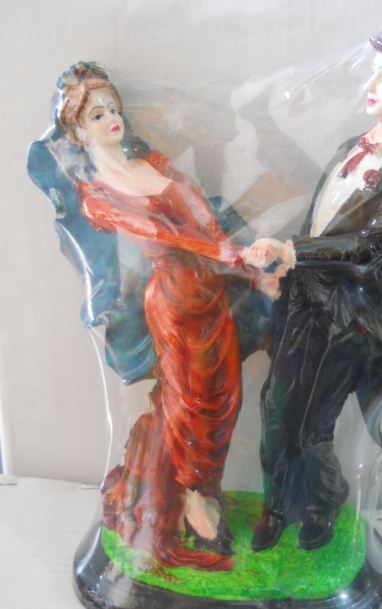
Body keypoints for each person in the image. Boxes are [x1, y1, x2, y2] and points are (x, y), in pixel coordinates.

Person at [57, 62, 277, 571]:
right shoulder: (97, 196)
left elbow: (203, 219)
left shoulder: (155, 161)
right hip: (175, 302)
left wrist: (244, 267)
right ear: (79, 133)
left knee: (226, 396)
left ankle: (204, 488)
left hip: (213, 291)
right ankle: (195, 500)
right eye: (96, 115)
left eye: (113, 108)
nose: (112, 118)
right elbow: (167, 235)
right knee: (193, 401)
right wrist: (234, 257)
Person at [251, 29, 382, 552]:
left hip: (344, 314)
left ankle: (323, 503)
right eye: (372, 73)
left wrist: (292, 251)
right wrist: (282, 270)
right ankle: (276, 505)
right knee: (275, 410)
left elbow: (368, 245)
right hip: (300, 299)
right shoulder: (349, 149)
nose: (370, 86)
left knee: (312, 426)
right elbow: (319, 221)